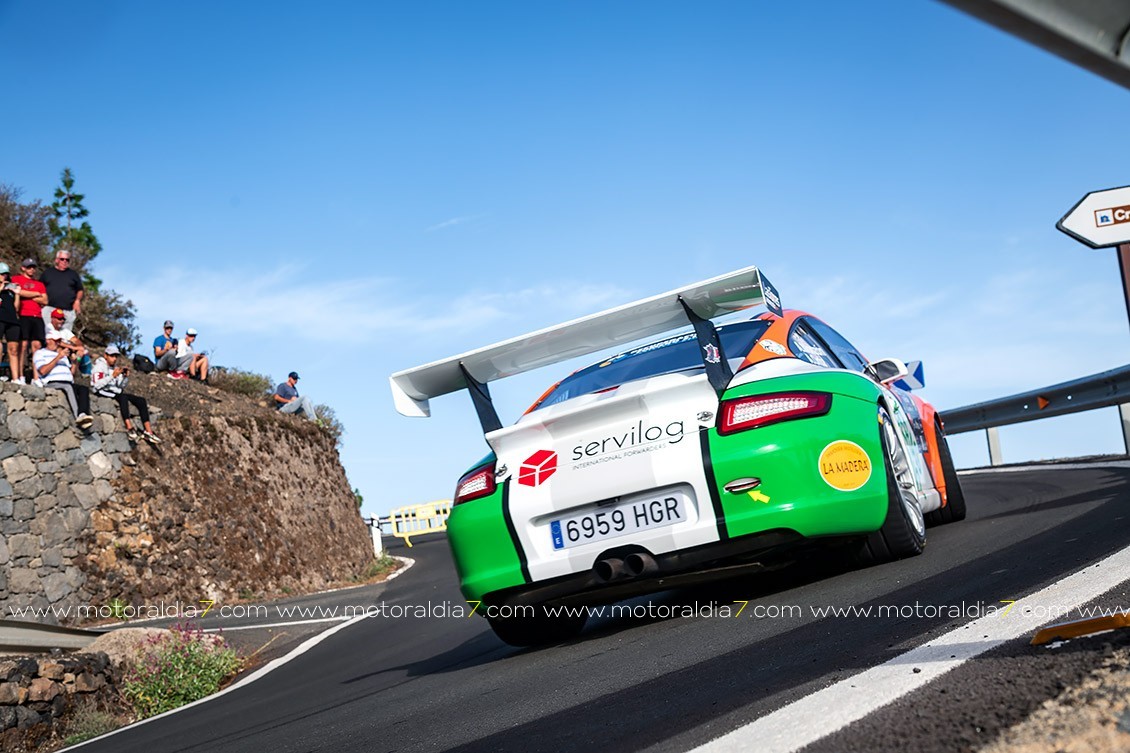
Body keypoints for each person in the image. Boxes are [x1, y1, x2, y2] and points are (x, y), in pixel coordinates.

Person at [91, 345, 161, 443]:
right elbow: (96, 385)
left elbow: (120, 386)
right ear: (105, 355)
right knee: (123, 398)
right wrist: (112, 376)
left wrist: (124, 377)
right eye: (112, 356)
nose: (114, 358)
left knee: (141, 400)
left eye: (116, 356)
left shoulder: (115, 368)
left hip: (115, 390)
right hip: (102, 390)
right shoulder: (99, 366)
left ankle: (148, 431)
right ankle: (129, 428)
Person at [33, 330, 94, 429]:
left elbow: (71, 374)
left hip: (67, 381)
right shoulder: (40, 353)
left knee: (83, 389)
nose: (58, 343)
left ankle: (84, 413)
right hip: (51, 382)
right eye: (55, 341)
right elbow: (43, 371)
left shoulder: (63, 355)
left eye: (59, 341)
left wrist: (75, 362)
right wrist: (58, 357)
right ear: (48, 340)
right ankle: (78, 415)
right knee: (68, 387)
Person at [11, 258, 47, 385]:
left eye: (33, 267)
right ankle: (20, 375)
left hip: (37, 316)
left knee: (37, 346)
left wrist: (27, 294)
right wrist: (36, 294)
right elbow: (18, 291)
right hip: (23, 315)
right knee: (23, 345)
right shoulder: (16, 279)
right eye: (29, 267)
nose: (31, 269)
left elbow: (45, 301)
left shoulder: (40, 284)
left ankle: (36, 377)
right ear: (23, 268)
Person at [38, 249, 83, 333]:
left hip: (68, 311)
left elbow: (80, 290)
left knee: (65, 336)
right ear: (57, 260)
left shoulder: (73, 274)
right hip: (49, 309)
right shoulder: (48, 273)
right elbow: (39, 288)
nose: (65, 261)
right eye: (62, 259)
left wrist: (77, 301)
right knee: (49, 335)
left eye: (67, 260)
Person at [0, 263, 20, 381]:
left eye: (6, 275)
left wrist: (16, 294)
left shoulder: (9, 290)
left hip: (12, 319)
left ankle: (16, 378)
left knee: (13, 349)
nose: (4, 277)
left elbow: (16, 308)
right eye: (2, 274)